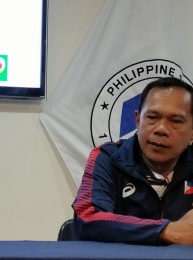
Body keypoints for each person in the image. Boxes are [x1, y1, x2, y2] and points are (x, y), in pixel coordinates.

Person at [73, 76, 193, 245]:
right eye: (152, 117)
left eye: (175, 121)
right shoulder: (108, 157)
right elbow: (88, 219)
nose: (161, 129)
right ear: (137, 120)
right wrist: (167, 231)